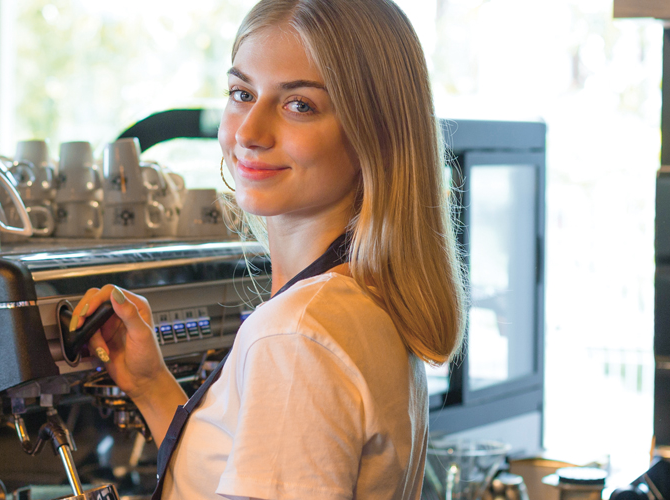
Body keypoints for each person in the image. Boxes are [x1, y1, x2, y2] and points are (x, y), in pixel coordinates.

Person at [68, 0, 463, 497]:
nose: (249, 133)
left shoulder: (296, 336)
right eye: (241, 93)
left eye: (299, 105)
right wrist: (150, 385)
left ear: (374, 136)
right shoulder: (357, 302)